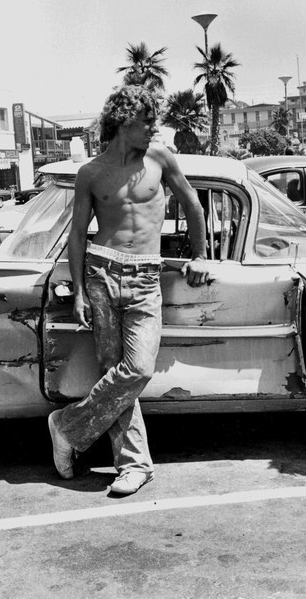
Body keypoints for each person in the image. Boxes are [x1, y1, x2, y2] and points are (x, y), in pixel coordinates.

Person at [47, 85, 209, 496]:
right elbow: (77, 235)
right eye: (146, 121)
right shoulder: (91, 172)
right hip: (102, 273)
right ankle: (134, 465)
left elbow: (192, 203)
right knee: (112, 370)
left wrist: (200, 255)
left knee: (136, 370)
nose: (153, 127)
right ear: (123, 121)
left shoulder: (159, 158)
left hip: (145, 277)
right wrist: (80, 290)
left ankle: (68, 426)